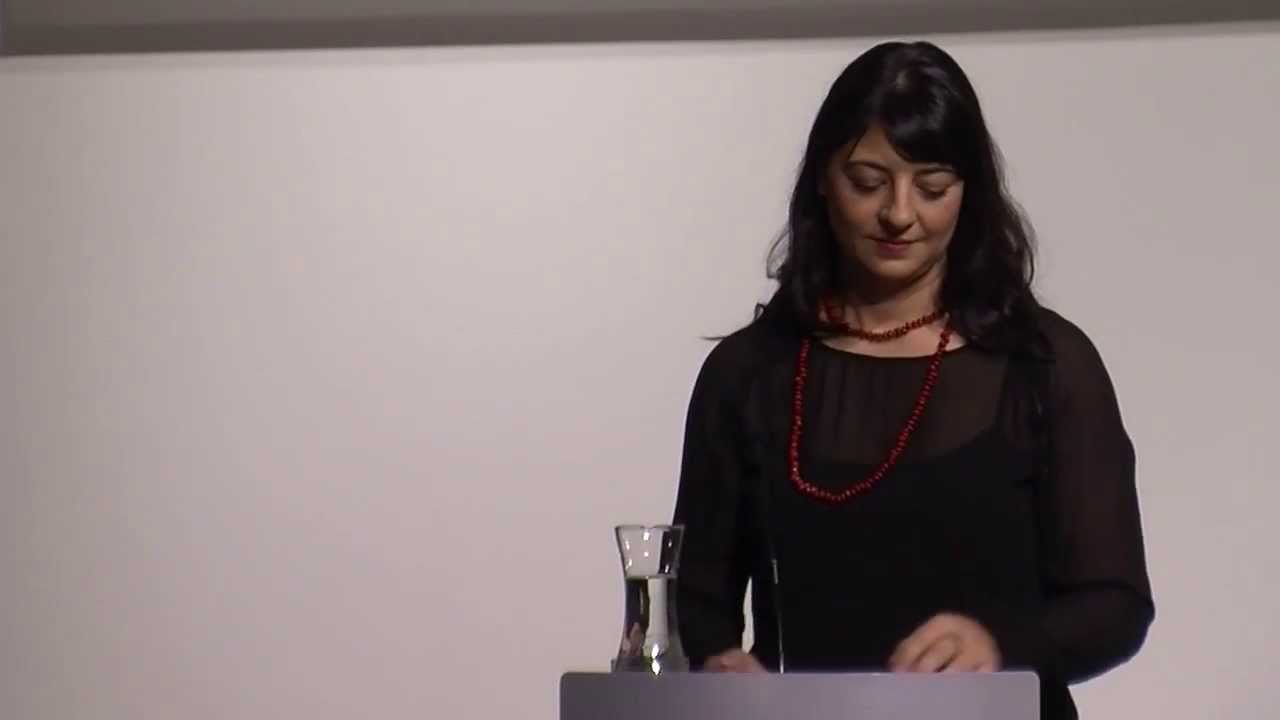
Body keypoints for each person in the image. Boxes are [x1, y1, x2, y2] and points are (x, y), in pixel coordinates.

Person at [670, 41, 1154, 720]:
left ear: (970, 193)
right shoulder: (749, 373)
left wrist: (1002, 645)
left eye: (932, 187)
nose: (900, 214)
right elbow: (694, 602)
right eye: (868, 182)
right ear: (820, 179)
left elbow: (1115, 604)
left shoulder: (1044, 365)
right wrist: (715, 663)